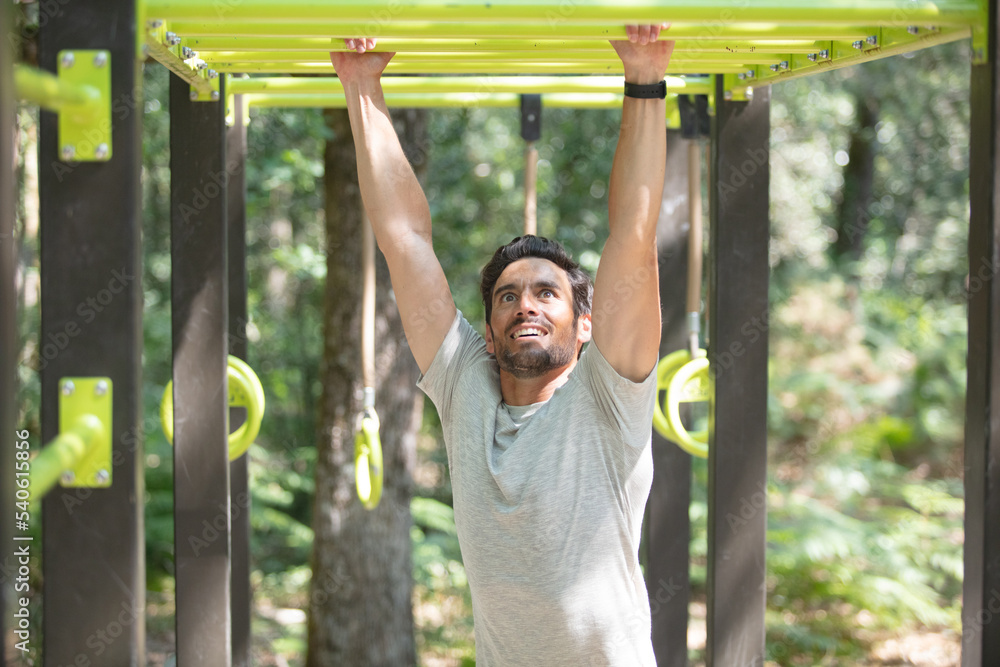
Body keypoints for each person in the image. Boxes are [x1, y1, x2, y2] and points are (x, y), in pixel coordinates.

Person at [331, 25, 674, 666]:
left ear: (586, 324)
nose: (527, 305)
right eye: (508, 297)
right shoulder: (467, 390)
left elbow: (634, 236)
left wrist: (645, 79)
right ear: (488, 332)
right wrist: (362, 86)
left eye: (548, 293)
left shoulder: (609, 394)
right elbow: (404, 239)